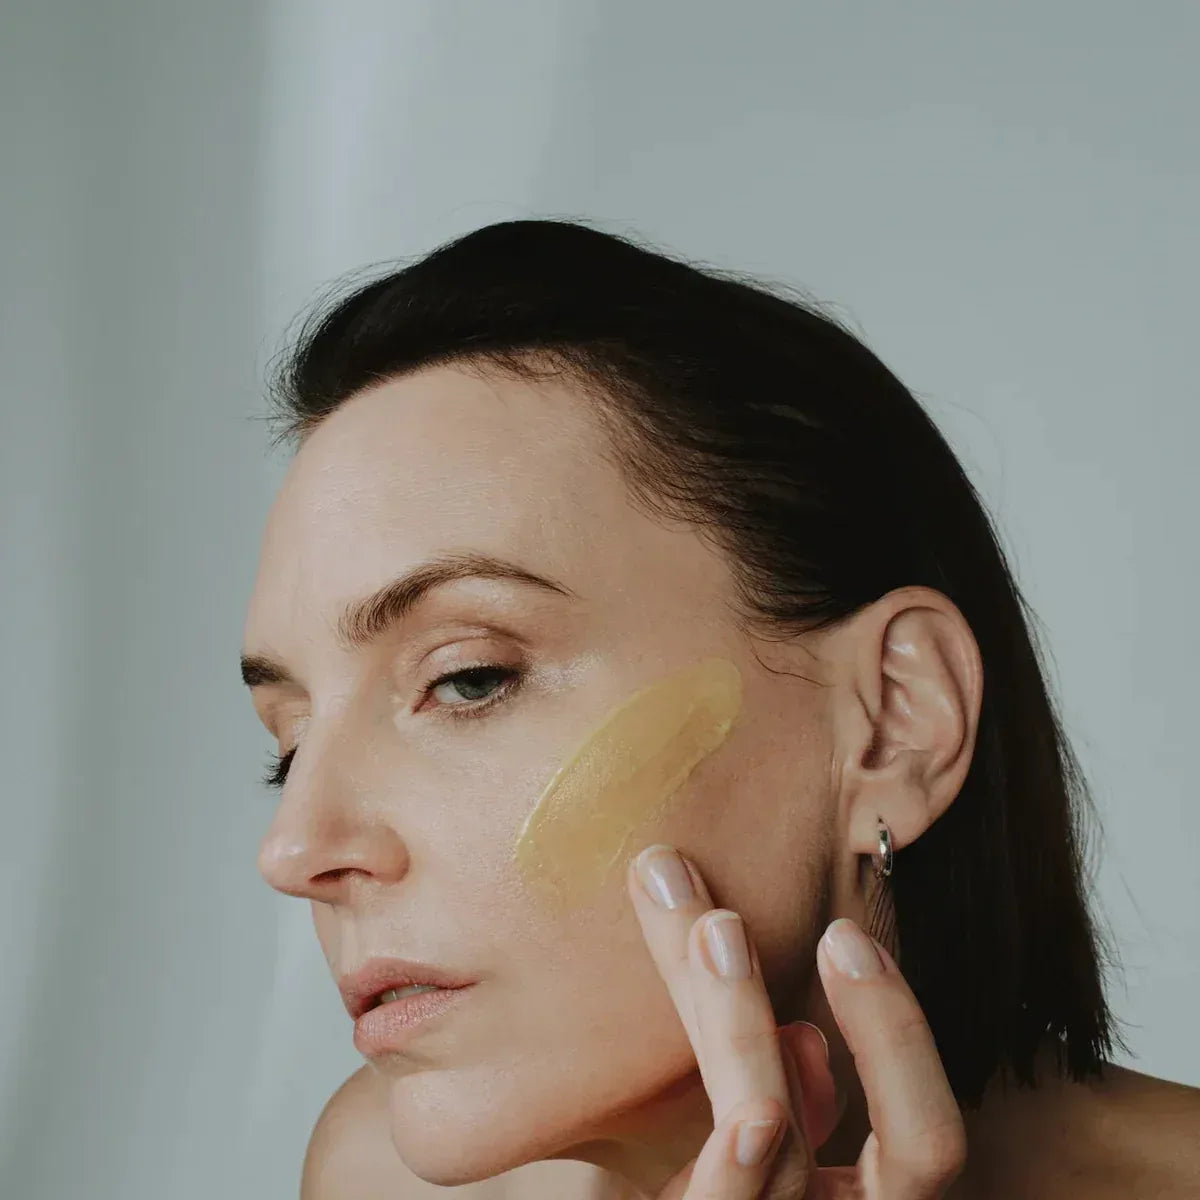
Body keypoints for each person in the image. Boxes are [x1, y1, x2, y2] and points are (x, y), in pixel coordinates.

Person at [240, 218, 1200, 1198]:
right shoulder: (372, 1176)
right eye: (291, 743)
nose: (294, 849)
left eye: (470, 678)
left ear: (893, 720)